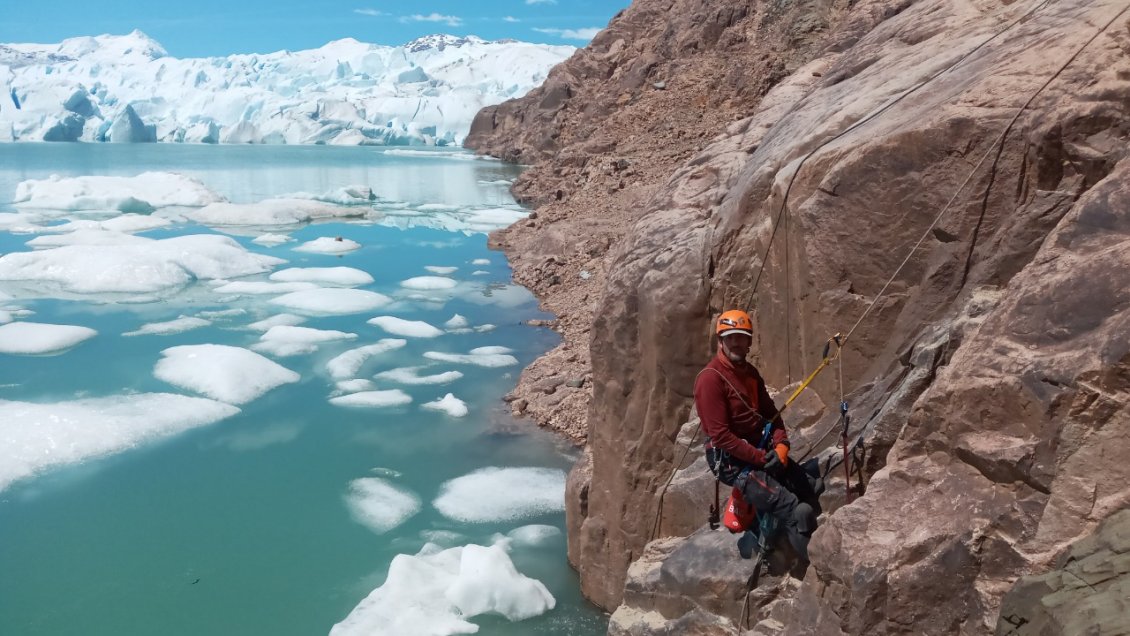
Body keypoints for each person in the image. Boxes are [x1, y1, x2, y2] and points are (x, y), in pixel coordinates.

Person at [693, 309, 820, 574]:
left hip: (759, 449)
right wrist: (762, 460)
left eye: (741, 337)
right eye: (730, 338)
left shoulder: (749, 373)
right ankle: (816, 568)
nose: (736, 343)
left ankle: (786, 525)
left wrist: (781, 446)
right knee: (795, 511)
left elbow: (771, 415)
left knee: (809, 486)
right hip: (731, 462)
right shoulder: (710, 379)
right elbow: (721, 436)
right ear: (721, 341)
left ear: (749, 341)